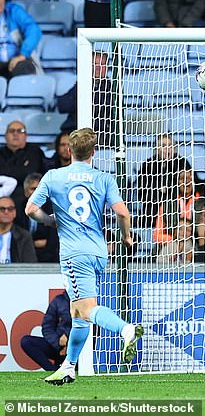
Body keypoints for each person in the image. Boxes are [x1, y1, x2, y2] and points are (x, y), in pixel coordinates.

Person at [26, 128, 143, 385]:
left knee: (85, 309)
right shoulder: (103, 178)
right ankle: (68, 367)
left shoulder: (54, 176)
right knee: (77, 314)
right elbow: (123, 213)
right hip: (98, 252)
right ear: (94, 152)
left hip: (73, 253)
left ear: (69, 150)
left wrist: (50, 221)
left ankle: (126, 329)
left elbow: (30, 209)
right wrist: (126, 237)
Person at [135, 134, 192, 228]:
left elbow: (189, 185)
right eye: (163, 146)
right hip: (153, 210)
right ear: (157, 148)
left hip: (176, 208)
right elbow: (142, 192)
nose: (167, 149)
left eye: (170, 145)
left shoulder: (182, 162)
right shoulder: (148, 165)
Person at [58, 52, 113, 146]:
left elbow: (99, 110)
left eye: (102, 64)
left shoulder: (111, 89)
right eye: (95, 64)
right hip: (74, 131)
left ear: (107, 67)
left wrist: (80, 102)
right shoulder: (82, 84)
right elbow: (62, 105)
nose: (98, 68)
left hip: (98, 135)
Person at [13, 173, 59, 262]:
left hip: (48, 256)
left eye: (39, 189)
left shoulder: (53, 208)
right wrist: (30, 243)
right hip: (23, 254)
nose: (36, 192)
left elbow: (54, 239)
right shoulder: (18, 209)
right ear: (26, 192)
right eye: (33, 189)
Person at [20, 292, 71, 371]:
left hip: (80, 348)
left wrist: (69, 342)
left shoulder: (87, 301)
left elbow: (90, 327)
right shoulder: (59, 300)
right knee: (26, 341)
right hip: (59, 347)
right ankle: (52, 371)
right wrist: (58, 344)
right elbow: (47, 327)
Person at [152, 168, 201, 246]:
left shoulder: (203, 203)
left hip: (196, 247)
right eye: (182, 178)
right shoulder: (166, 205)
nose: (186, 181)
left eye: (190, 178)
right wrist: (174, 240)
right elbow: (157, 235)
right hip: (171, 246)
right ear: (177, 182)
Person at [0, 0, 41, 79]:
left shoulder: (14, 11)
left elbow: (34, 30)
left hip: (16, 60)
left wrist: (23, 54)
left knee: (23, 67)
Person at [0, 120, 47, 193]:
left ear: (26, 135)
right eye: (12, 131)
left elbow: (33, 175)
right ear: (5, 136)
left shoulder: (35, 152)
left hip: (29, 195)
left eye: (20, 131)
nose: (15, 134)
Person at [0, 195, 36, 263]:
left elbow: (30, 265)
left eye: (10, 209)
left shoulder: (24, 236)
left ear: (14, 213)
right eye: (2, 209)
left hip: (15, 272)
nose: (6, 212)